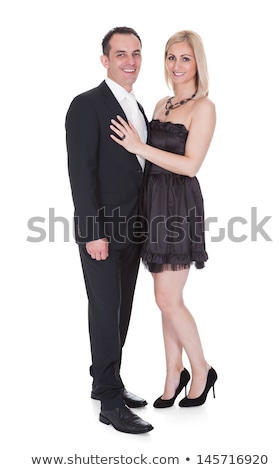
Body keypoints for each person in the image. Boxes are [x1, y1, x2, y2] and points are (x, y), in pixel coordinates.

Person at [110, 30, 217, 408]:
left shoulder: (203, 107)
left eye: (185, 58)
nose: (177, 65)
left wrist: (139, 146)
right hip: (152, 204)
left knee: (167, 298)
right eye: (171, 57)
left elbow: (191, 165)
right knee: (166, 299)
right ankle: (174, 371)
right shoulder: (161, 103)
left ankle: (201, 369)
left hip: (178, 204)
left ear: (196, 62)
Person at [65, 27, 153, 434]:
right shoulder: (86, 105)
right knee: (105, 313)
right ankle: (110, 404)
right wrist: (92, 232)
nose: (129, 61)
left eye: (135, 53)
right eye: (120, 54)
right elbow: (81, 176)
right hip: (102, 232)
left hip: (134, 230)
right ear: (105, 60)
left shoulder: (137, 106)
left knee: (122, 312)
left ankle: (108, 382)